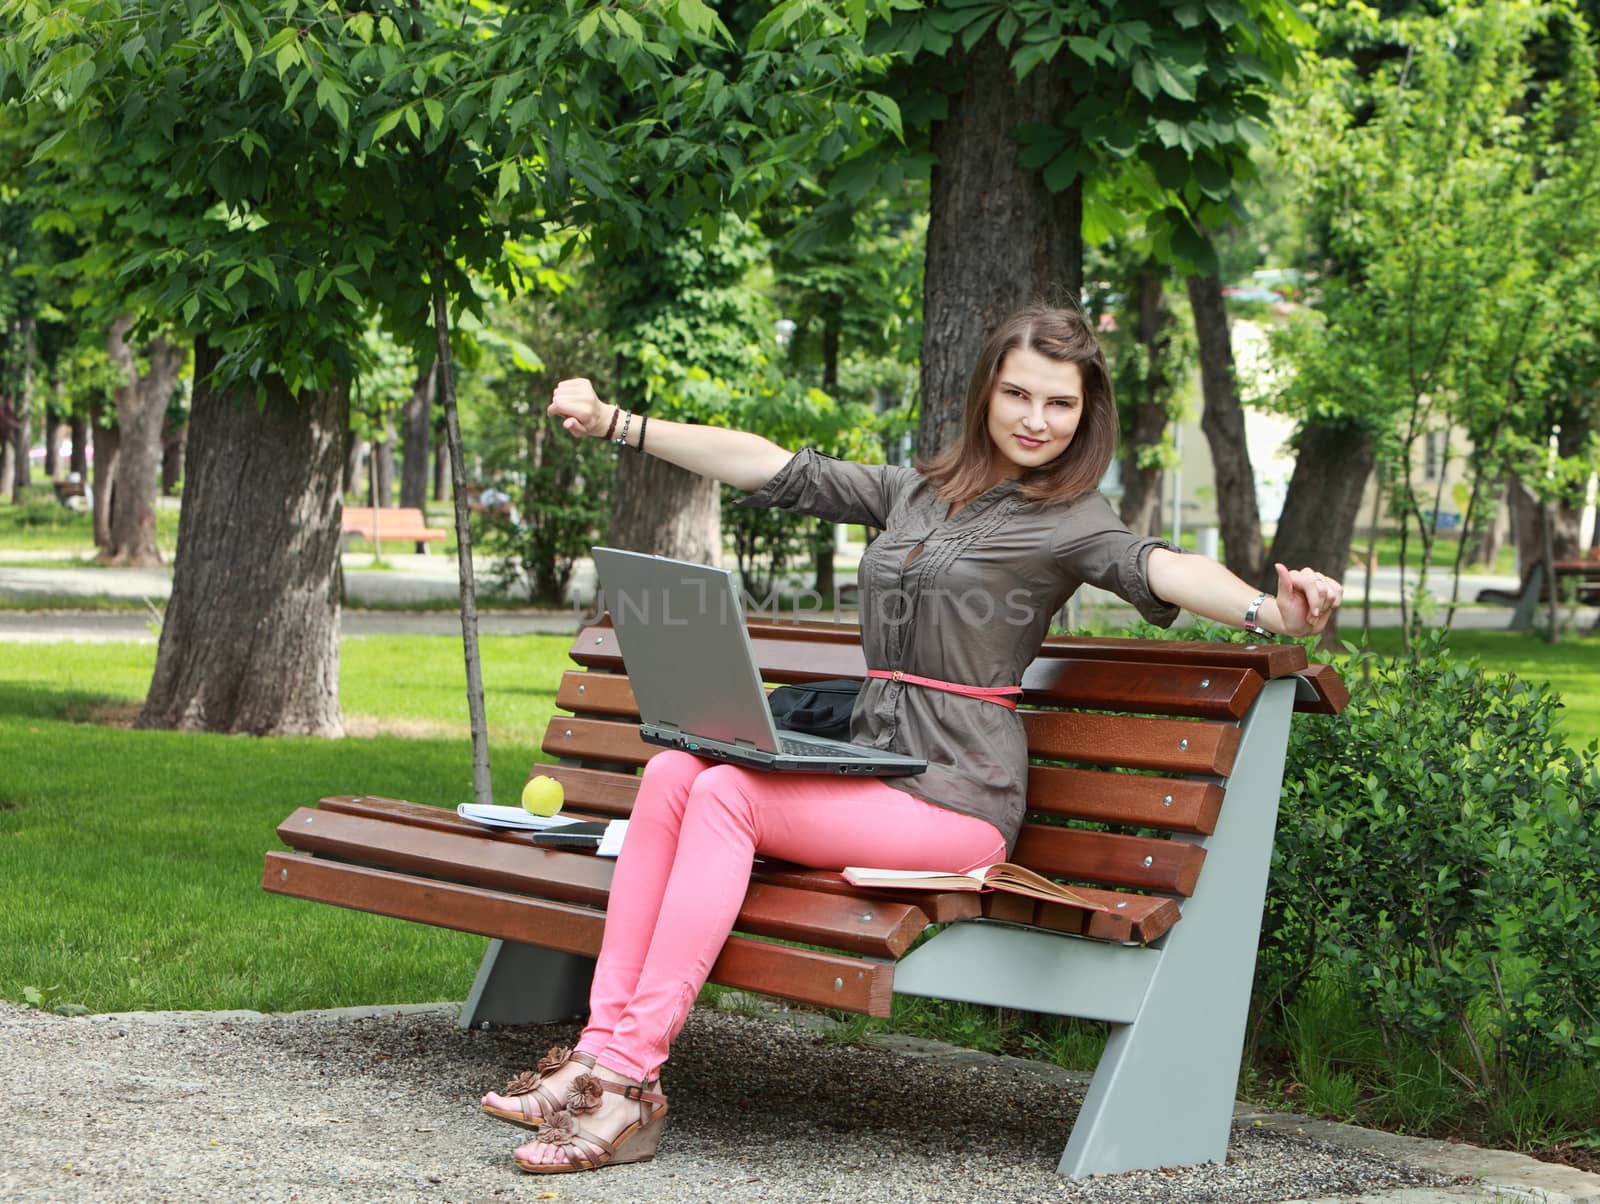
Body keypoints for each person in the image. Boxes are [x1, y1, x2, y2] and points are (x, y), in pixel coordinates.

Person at [479, 303, 1343, 1175]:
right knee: (674, 770)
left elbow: (1161, 566)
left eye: (1061, 405)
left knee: (726, 793)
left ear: (1088, 414)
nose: (1037, 420)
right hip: (876, 769)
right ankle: (596, 1056)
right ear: (986, 393)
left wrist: (1269, 611)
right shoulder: (915, 491)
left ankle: (632, 1082)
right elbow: (768, 465)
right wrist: (619, 423)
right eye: (1018, 395)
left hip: (957, 800)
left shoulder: (1074, 517)